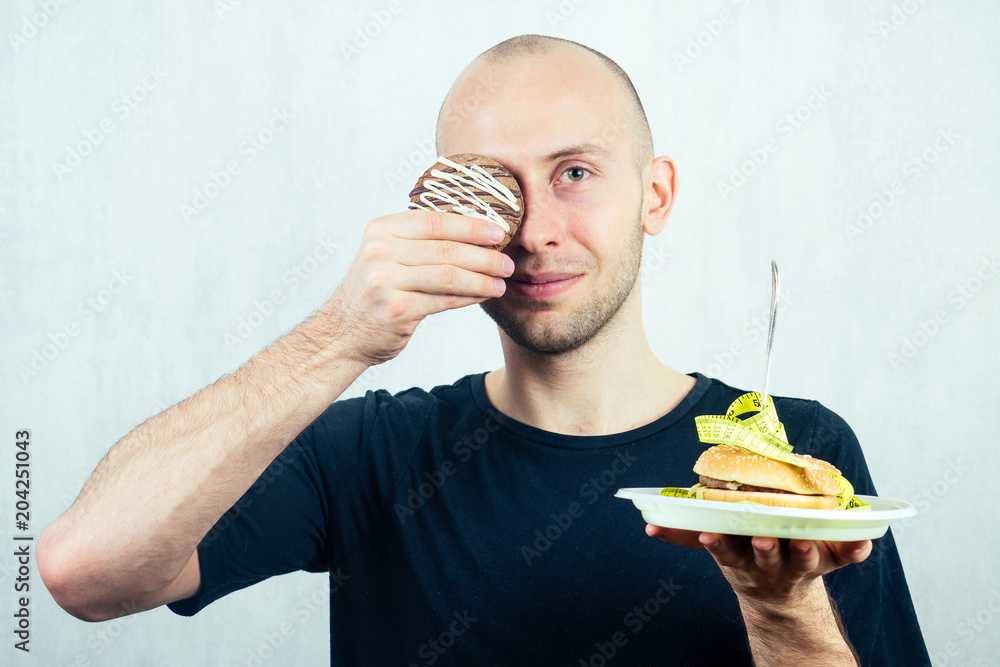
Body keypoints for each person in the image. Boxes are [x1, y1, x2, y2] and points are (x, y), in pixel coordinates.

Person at [38, 35, 928, 665]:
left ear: (653, 196)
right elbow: (84, 570)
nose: (533, 231)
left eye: (574, 173)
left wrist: (782, 610)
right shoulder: (369, 453)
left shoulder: (795, 457)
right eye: (497, 187)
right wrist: (335, 339)